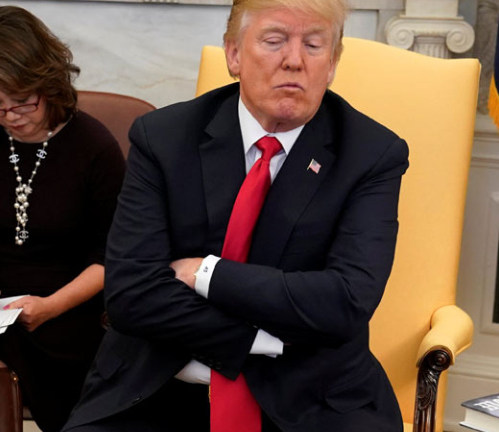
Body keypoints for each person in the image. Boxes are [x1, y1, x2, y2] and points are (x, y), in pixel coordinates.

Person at [63, 0, 409, 430]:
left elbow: (345, 303)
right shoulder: (163, 138)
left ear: (333, 63)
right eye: (274, 40)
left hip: (312, 395)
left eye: (314, 44)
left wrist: (205, 274)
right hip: (160, 382)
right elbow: (131, 294)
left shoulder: (372, 154)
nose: (294, 61)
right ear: (234, 55)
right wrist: (264, 338)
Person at [0, 6, 125, 432]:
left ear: (48, 83)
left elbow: (113, 256)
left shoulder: (94, 147)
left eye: (23, 100)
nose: (11, 115)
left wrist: (51, 306)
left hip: (74, 307)